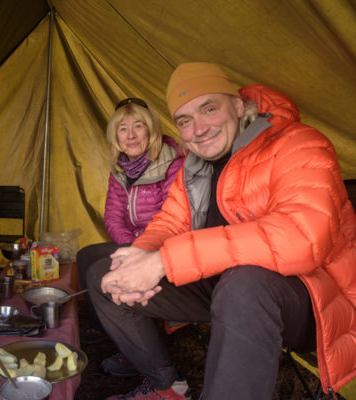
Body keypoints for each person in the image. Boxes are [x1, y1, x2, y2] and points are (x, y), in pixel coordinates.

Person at [87, 62, 356, 400]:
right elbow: (170, 223)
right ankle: (166, 385)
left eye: (209, 109)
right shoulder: (195, 166)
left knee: (243, 285)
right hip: (223, 286)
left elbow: (303, 239)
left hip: (314, 298)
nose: (198, 129)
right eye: (185, 121)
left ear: (238, 105)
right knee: (104, 273)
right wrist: (140, 257)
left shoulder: (299, 144)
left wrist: (163, 263)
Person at [76, 98, 183, 378]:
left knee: (110, 269)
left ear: (151, 130)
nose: (131, 135)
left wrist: (137, 252)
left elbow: (172, 217)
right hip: (135, 243)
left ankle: (134, 352)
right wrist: (128, 246)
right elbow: (112, 216)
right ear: (115, 136)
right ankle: (104, 327)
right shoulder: (120, 169)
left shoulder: (171, 162)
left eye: (139, 126)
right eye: (123, 129)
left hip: (164, 247)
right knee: (86, 256)